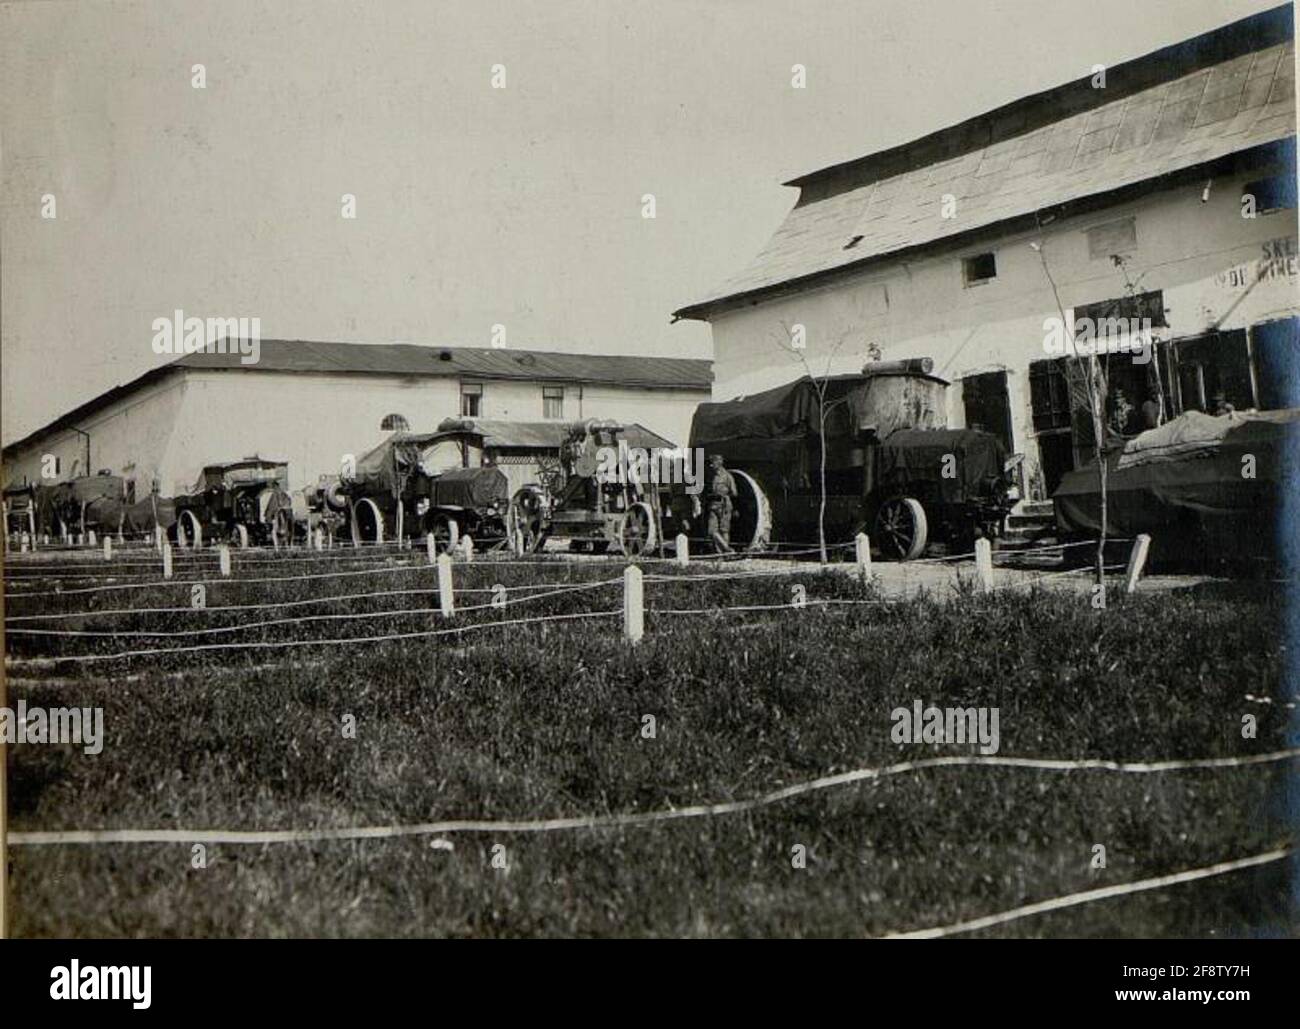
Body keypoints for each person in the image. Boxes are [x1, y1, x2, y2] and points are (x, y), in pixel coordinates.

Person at [705, 454, 737, 554]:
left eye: (713, 462)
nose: (711, 465)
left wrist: (723, 494)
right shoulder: (711, 476)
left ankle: (721, 555)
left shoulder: (727, 476)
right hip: (713, 504)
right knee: (712, 530)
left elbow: (734, 492)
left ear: (719, 463)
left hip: (724, 505)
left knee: (724, 530)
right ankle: (727, 550)